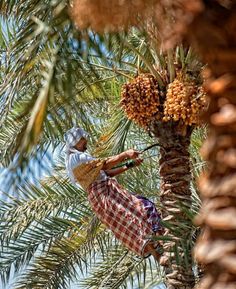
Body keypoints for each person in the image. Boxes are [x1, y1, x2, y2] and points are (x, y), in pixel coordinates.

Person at [64, 126, 163, 260]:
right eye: (83, 140)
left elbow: (105, 173)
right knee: (131, 217)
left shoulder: (78, 158)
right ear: (77, 140)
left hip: (104, 194)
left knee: (142, 208)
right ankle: (158, 253)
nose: (86, 143)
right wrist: (125, 154)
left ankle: (160, 244)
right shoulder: (76, 158)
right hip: (103, 195)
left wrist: (130, 164)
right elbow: (104, 165)